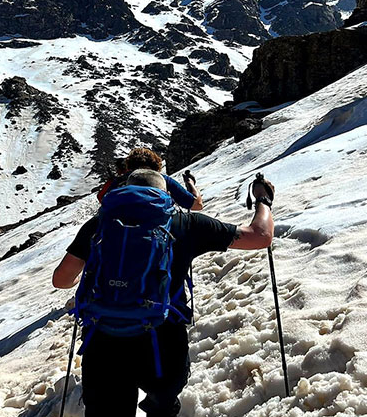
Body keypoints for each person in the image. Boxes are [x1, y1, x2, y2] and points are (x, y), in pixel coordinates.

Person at [53, 169, 275, 417]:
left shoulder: (100, 223)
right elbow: (260, 236)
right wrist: (262, 199)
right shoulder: (185, 223)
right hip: (161, 346)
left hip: (103, 344)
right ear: (164, 194)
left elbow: (61, 280)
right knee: (162, 407)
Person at [97, 148, 204, 211]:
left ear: (129, 166)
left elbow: (104, 201)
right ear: (156, 165)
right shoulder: (163, 179)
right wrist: (191, 183)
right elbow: (197, 205)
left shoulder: (119, 181)